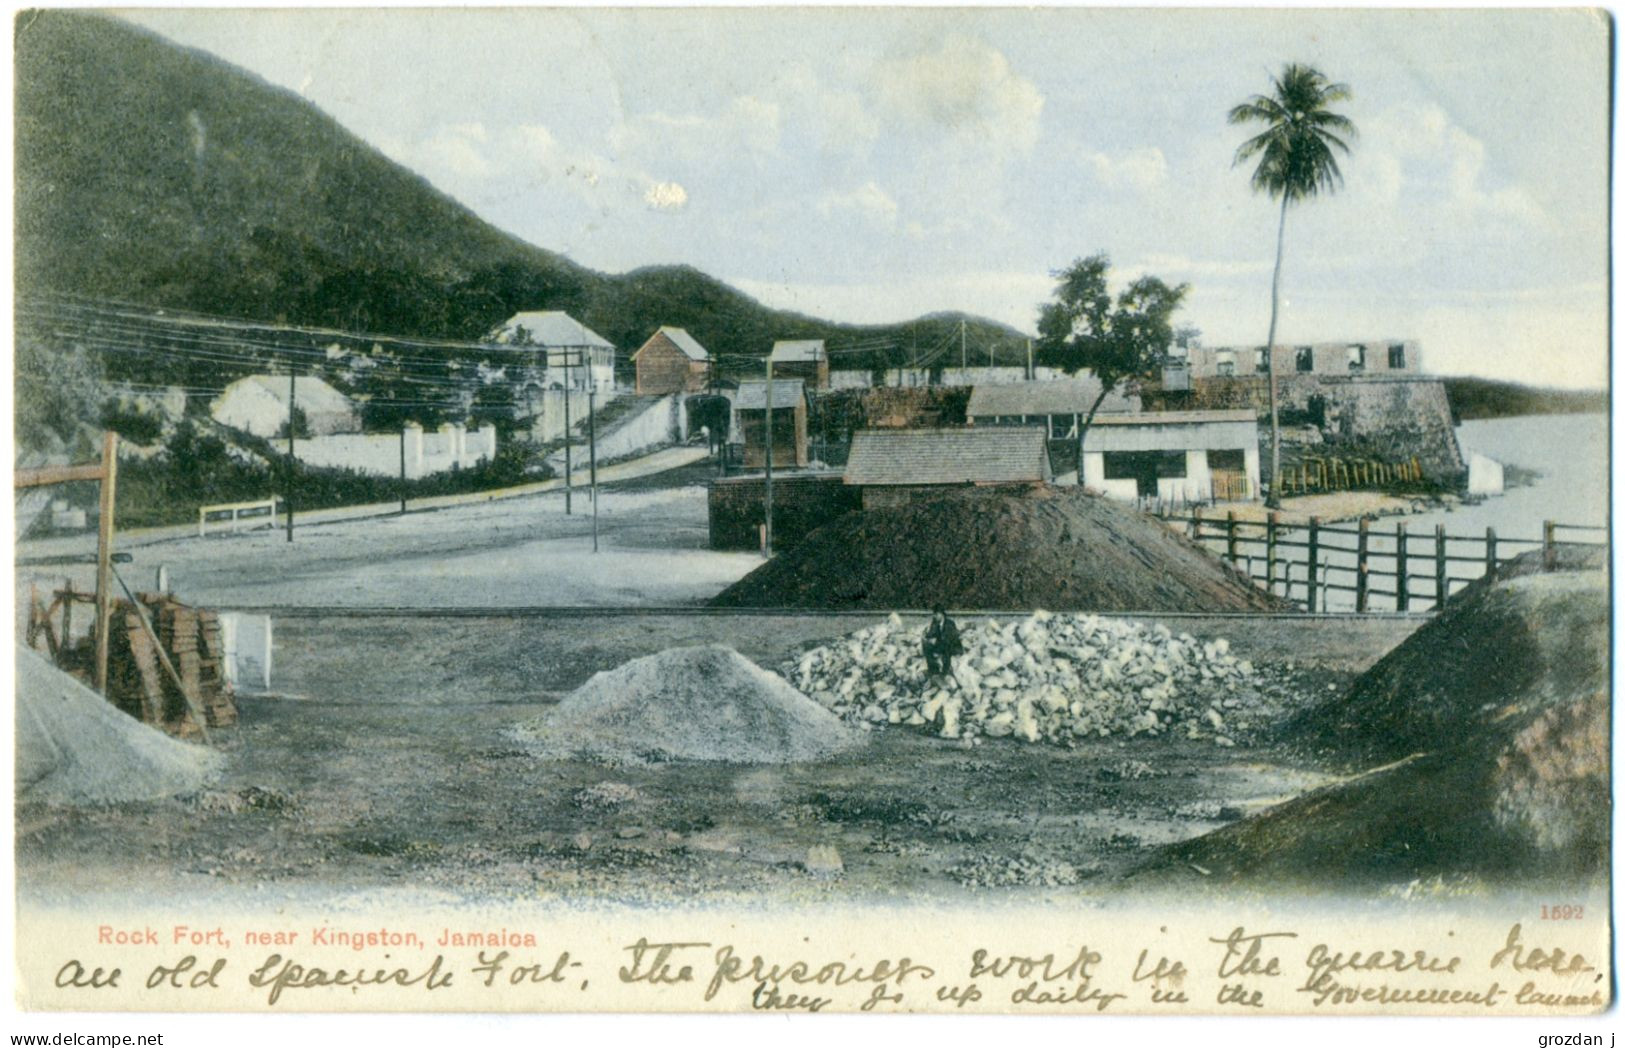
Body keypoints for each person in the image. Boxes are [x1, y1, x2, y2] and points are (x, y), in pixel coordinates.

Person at [922, 605, 963, 682]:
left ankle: (945, 672)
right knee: (927, 647)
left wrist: (936, 641)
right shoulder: (935, 623)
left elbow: (949, 640)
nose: (935, 616)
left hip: (952, 646)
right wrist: (926, 636)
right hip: (941, 645)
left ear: (942, 614)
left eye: (936, 614)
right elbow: (931, 634)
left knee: (946, 650)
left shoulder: (950, 624)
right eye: (934, 614)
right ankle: (933, 670)